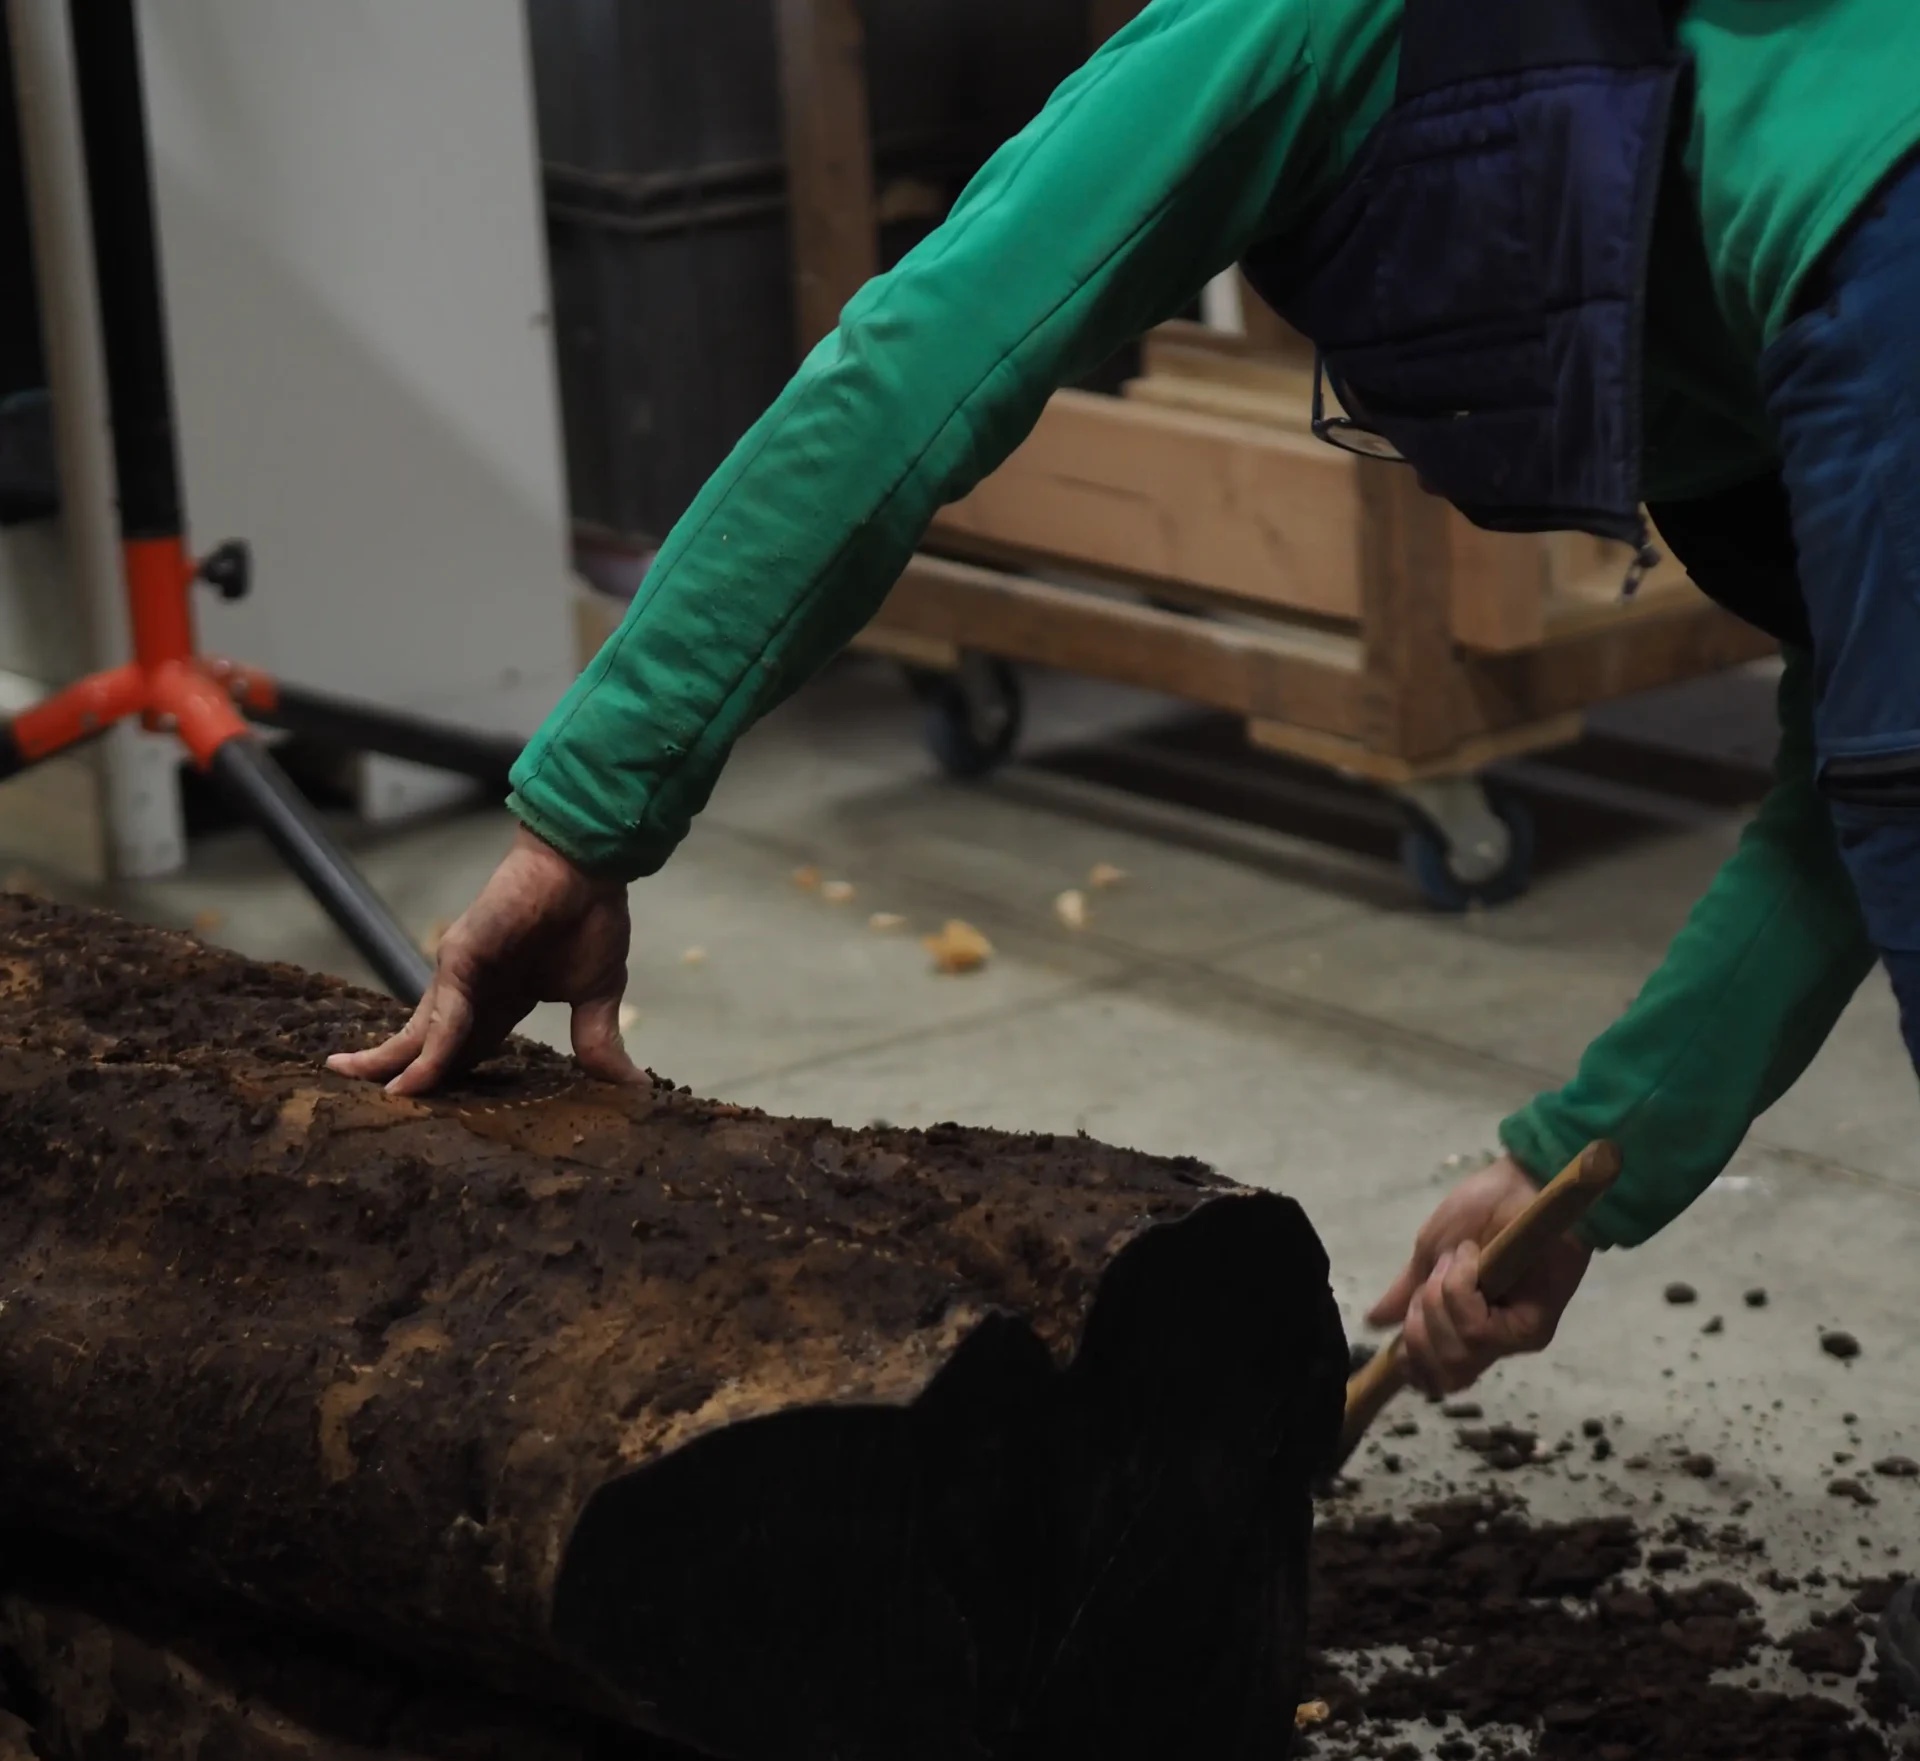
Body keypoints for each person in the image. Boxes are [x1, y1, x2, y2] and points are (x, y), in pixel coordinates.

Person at [332, 0, 1915, 1438]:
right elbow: (1842, 792)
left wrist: (585, 819)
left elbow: (912, 365)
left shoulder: (1274, 25)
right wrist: (1582, 1161)